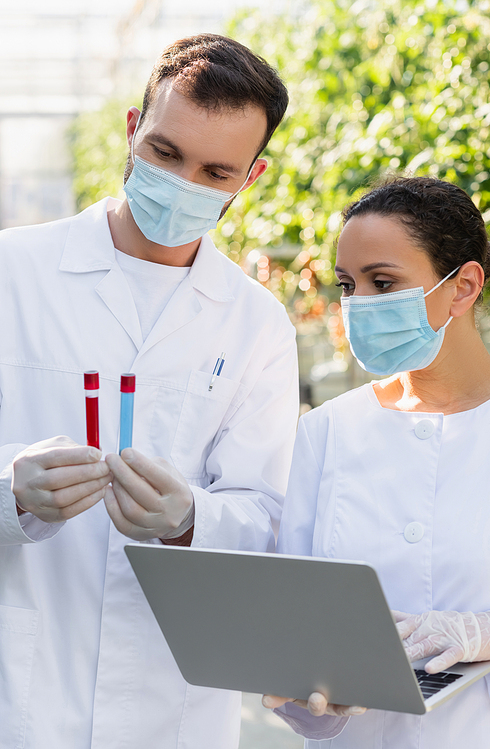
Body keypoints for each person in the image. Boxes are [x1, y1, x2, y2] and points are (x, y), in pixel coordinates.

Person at [0, 34, 298, 749]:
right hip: (22, 692)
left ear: (248, 178)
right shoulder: (13, 272)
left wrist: (190, 519)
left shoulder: (257, 323)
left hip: (173, 707)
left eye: (214, 170)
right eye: (166, 153)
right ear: (134, 129)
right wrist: (11, 490)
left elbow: (268, 514)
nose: (184, 182)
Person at [263, 176, 490, 748]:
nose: (357, 307)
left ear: (463, 286)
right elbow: (301, 627)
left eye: (383, 282)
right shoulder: (327, 432)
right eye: (348, 284)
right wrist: (313, 690)